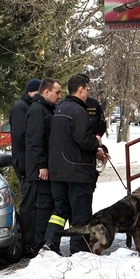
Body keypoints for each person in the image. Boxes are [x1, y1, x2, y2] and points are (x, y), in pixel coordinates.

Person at [43, 73, 104, 255]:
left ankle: (50, 242)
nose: (87, 93)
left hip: (58, 171)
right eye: (87, 89)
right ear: (81, 89)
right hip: (77, 171)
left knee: (59, 211)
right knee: (80, 213)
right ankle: (79, 251)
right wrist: (97, 143)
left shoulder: (59, 109)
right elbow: (82, 139)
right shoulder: (78, 111)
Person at [25, 78, 62, 255]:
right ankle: (39, 247)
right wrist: (42, 165)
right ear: (46, 92)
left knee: (49, 206)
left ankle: (48, 244)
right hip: (41, 171)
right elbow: (35, 141)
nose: (59, 96)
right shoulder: (37, 110)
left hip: (48, 167)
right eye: (57, 92)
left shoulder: (45, 109)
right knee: (43, 207)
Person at [9, 78, 41, 258]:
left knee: (35, 204)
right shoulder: (21, 108)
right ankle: (27, 243)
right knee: (29, 205)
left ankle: (33, 241)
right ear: (31, 92)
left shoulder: (28, 106)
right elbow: (22, 138)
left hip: (29, 164)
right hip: (26, 166)